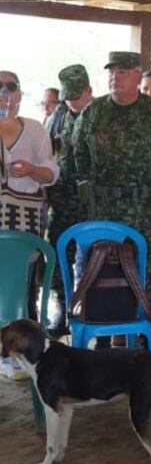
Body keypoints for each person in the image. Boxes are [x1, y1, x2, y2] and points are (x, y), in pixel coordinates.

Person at [72, 52, 151, 322]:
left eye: (122, 72)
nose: (115, 77)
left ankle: (148, 338)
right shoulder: (93, 111)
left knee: (146, 272)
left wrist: (150, 182)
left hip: (144, 210)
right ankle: (103, 338)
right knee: (100, 272)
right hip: (104, 208)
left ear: (138, 76)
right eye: (111, 72)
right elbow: (78, 153)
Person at [0, 70, 59, 379]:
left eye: (11, 87)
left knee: (21, 288)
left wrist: (34, 169)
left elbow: (52, 172)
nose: (4, 92)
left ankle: (20, 351)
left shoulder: (35, 129)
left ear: (20, 94)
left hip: (24, 223)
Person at [45, 64, 93, 337]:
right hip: (62, 201)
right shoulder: (58, 116)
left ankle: (88, 310)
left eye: (77, 96)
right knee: (58, 256)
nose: (72, 102)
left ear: (89, 90)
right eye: (68, 97)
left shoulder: (101, 115)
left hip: (90, 204)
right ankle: (62, 309)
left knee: (90, 261)